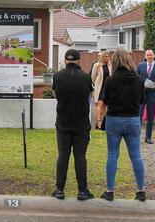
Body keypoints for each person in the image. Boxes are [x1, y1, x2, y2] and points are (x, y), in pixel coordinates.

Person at [97, 49, 146, 202]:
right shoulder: (138, 79)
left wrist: (99, 118)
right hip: (132, 119)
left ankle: (110, 191)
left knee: (112, 155)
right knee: (136, 156)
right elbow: (141, 100)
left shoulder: (111, 80)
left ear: (116, 62)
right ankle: (141, 191)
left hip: (114, 120)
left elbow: (103, 102)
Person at [51, 49, 94, 201]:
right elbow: (90, 95)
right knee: (80, 157)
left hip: (63, 122)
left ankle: (59, 189)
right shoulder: (86, 77)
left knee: (63, 156)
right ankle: (82, 190)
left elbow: (56, 94)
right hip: (81, 123)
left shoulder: (57, 76)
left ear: (65, 60)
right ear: (78, 60)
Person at [137, 49, 155, 144]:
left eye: (151, 55)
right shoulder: (140, 66)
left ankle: (148, 137)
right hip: (141, 94)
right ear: (145, 56)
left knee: (150, 117)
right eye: (148, 55)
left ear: (154, 56)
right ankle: (136, 137)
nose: (149, 56)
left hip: (153, 95)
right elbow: (136, 78)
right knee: (138, 116)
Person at [91, 50, 112, 129]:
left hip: (108, 87)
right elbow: (93, 77)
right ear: (103, 57)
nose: (107, 58)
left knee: (105, 106)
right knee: (100, 104)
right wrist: (96, 84)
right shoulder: (97, 65)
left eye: (108, 56)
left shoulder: (110, 65)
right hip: (100, 87)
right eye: (106, 56)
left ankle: (103, 122)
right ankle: (98, 122)